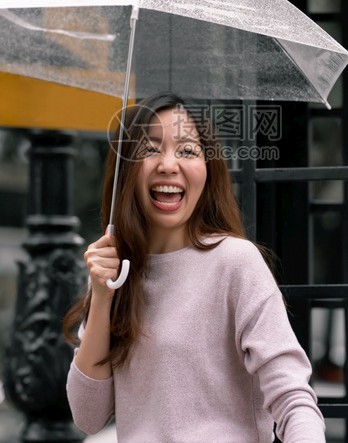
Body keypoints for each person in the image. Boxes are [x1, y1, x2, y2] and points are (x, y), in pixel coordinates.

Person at [64, 91, 326, 443]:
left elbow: (292, 396)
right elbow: (88, 416)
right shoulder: (116, 276)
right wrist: (101, 295)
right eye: (150, 148)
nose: (168, 164)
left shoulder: (235, 262)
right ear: (127, 170)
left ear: (208, 170)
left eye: (187, 150)